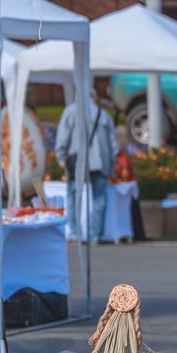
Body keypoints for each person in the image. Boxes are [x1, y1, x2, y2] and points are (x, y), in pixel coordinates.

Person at [55, 93, 117, 243]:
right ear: (95, 97)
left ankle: (75, 233)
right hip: (100, 162)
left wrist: (61, 157)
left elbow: (63, 137)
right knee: (99, 198)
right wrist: (111, 165)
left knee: (74, 197)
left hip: (76, 161)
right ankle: (95, 235)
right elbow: (113, 144)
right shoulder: (103, 114)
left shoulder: (70, 111)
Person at [111, 124, 147, 242]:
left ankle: (137, 233)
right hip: (125, 184)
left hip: (126, 184)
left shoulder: (120, 152)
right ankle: (138, 233)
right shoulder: (119, 152)